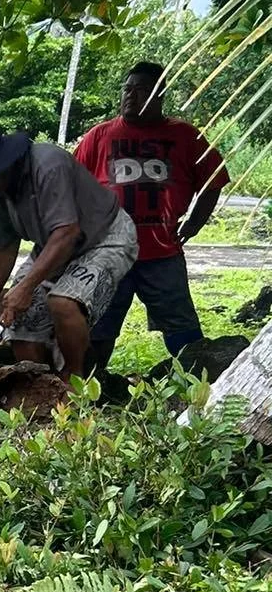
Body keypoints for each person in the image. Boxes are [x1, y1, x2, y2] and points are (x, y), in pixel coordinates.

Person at [0, 121, 138, 380]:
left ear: (2, 164)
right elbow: (5, 246)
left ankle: (75, 381)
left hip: (103, 238)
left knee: (63, 302)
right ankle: (39, 383)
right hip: (54, 244)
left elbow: (68, 232)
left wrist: (26, 287)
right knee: (19, 315)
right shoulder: (0, 191)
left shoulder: (49, 165)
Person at [73, 61, 227, 378]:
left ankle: (196, 386)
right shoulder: (99, 135)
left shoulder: (185, 136)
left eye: (142, 90)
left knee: (181, 329)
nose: (131, 96)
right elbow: (72, 185)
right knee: (98, 326)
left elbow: (214, 180)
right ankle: (91, 388)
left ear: (160, 96)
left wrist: (195, 222)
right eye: (127, 89)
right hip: (109, 254)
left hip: (162, 255)